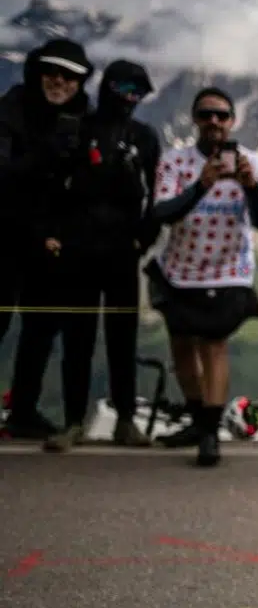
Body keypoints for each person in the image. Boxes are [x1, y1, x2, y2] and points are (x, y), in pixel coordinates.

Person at [147, 87, 258, 466]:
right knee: (181, 347)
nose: (214, 121)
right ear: (195, 120)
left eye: (221, 115)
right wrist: (202, 184)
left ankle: (209, 433)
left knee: (213, 345)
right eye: (206, 114)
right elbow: (163, 213)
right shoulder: (175, 162)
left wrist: (250, 187)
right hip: (179, 270)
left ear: (232, 121)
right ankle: (197, 417)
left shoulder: (255, 164)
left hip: (229, 271)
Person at [39, 60, 162, 451]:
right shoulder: (76, 129)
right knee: (77, 337)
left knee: (123, 338)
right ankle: (73, 422)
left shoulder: (144, 137)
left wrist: (144, 239)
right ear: (108, 87)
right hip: (79, 247)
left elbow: (157, 192)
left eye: (138, 92)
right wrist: (53, 233)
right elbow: (52, 184)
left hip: (123, 250)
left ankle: (125, 420)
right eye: (125, 89)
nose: (130, 98)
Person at [1, 38, 93, 440]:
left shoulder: (84, 118)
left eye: (70, 76)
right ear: (36, 73)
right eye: (52, 72)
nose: (60, 81)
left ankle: (23, 410)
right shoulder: (11, 110)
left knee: (41, 327)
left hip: (51, 241)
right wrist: (45, 153)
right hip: (6, 235)